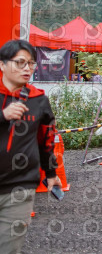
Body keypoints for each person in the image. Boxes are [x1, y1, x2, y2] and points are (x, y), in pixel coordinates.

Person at [0, 40, 61, 253]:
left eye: (31, 63)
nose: (27, 68)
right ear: (2, 64)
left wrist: (51, 173)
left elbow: (47, 139)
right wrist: (3, 115)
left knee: (9, 248)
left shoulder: (39, 99)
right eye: (20, 62)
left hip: (20, 186)